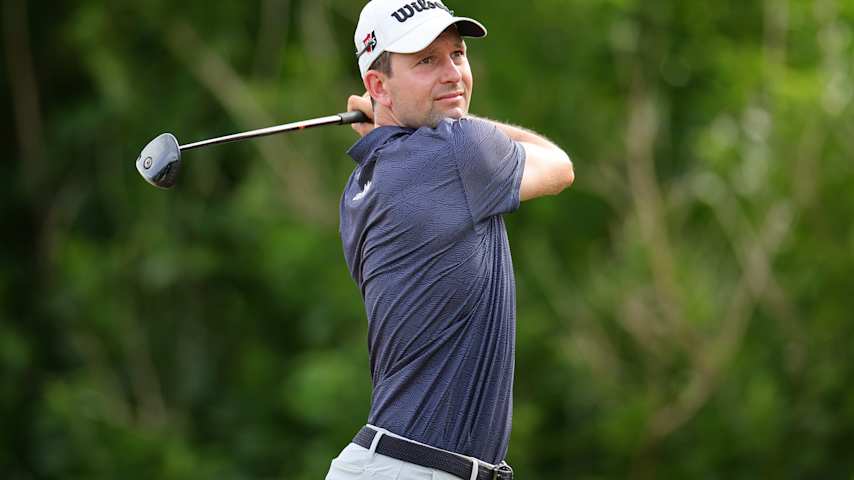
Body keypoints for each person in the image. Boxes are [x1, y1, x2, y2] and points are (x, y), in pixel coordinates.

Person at [327, 1, 573, 479]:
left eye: (457, 55)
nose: (453, 74)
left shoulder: (363, 183)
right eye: (425, 61)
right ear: (378, 86)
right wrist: (448, 125)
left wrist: (386, 120)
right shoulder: (457, 153)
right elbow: (559, 165)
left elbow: (413, 151)